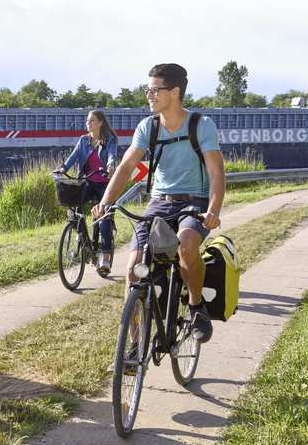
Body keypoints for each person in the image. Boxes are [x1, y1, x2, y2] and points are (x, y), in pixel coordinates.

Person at [92, 64, 225, 343]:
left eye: (155, 90)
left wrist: (212, 210)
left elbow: (216, 173)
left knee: (187, 243)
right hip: (158, 203)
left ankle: (196, 306)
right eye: (147, 89)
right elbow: (127, 166)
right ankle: (134, 344)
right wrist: (106, 202)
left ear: (174, 92)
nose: (148, 95)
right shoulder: (148, 127)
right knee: (133, 270)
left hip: (194, 203)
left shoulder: (201, 125)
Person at [56, 110, 118, 273]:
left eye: (91, 121)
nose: (88, 123)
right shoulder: (83, 140)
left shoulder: (109, 139)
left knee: (104, 216)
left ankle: (105, 257)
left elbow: (112, 155)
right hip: (88, 182)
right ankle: (84, 242)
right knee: (74, 207)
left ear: (100, 123)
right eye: (87, 121)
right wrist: (62, 169)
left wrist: (111, 166)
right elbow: (73, 157)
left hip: (105, 184)